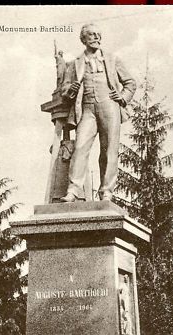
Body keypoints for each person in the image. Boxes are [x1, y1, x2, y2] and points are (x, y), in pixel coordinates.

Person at [60, 24, 136, 202]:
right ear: (83, 39)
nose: (96, 38)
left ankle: (106, 191)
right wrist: (70, 89)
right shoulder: (75, 63)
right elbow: (64, 89)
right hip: (87, 109)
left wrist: (122, 96)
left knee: (109, 150)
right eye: (91, 35)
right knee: (80, 147)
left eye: (98, 35)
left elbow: (130, 83)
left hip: (109, 107)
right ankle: (73, 190)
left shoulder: (111, 59)